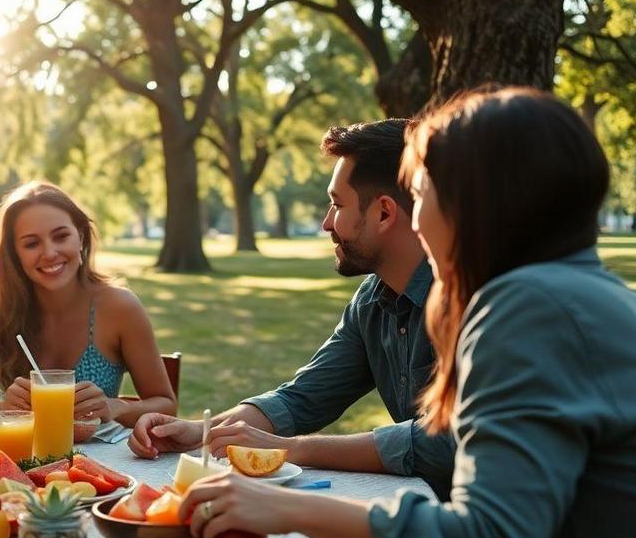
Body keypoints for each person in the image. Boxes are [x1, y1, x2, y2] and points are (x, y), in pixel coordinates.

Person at [179, 88, 636, 538]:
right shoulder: (578, 292)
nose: (417, 220)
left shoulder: (530, 306)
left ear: (474, 201)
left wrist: (287, 507)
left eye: (424, 193)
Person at [130, 119, 456, 498]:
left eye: (337, 205)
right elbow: (301, 399)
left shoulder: (469, 300)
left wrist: (290, 449)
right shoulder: (372, 302)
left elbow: (446, 439)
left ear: (384, 213)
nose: (325, 223)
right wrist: (199, 433)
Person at [0, 181, 176, 432]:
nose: (50, 252)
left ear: (80, 236)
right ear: (15, 254)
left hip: (100, 462)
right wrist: (1, 409)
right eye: (32, 243)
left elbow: (166, 405)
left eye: (61, 236)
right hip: (18, 460)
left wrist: (115, 407)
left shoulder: (120, 307)